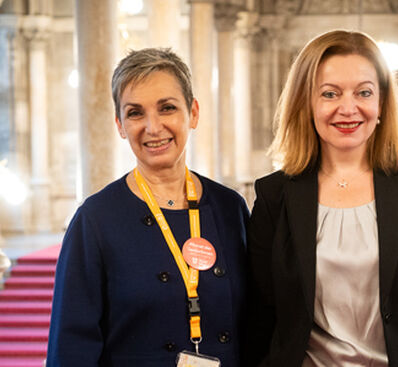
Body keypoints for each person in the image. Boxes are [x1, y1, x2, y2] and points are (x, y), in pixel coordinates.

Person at [245, 30, 398, 367]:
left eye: (364, 92)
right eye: (330, 93)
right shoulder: (274, 194)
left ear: (382, 102)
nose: (348, 108)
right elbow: (260, 315)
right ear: (306, 102)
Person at [46, 48, 249, 366]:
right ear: (120, 125)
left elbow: (256, 323)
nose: (153, 127)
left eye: (167, 108)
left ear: (193, 113)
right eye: (135, 113)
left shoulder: (229, 208)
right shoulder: (96, 220)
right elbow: (70, 349)